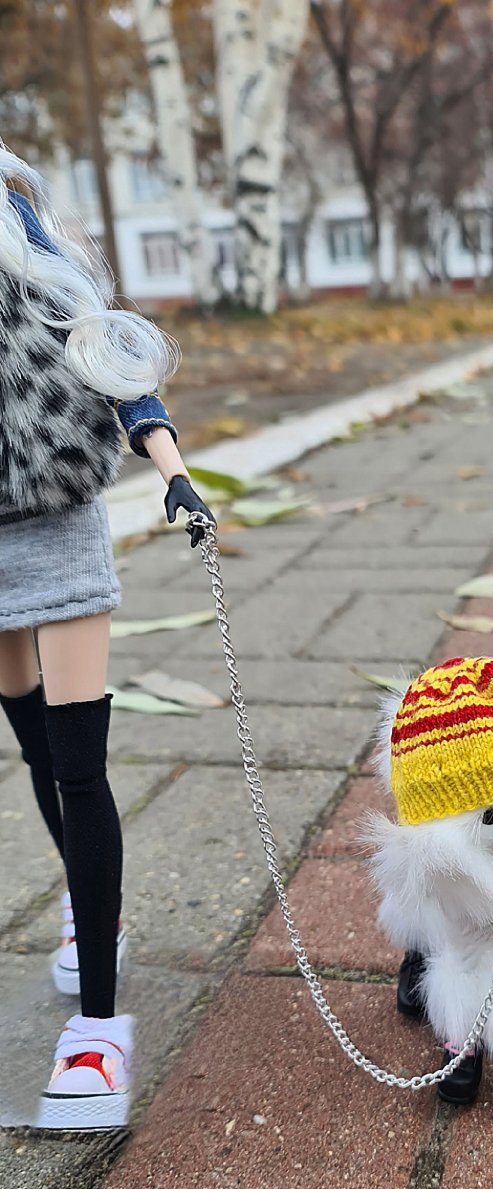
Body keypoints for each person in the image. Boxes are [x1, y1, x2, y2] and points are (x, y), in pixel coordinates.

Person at [0, 144, 214, 1130]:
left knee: (77, 765)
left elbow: (118, 371)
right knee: (33, 746)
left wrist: (176, 475)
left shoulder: (30, 259)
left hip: (56, 523)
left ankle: (97, 1028)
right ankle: (98, 914)